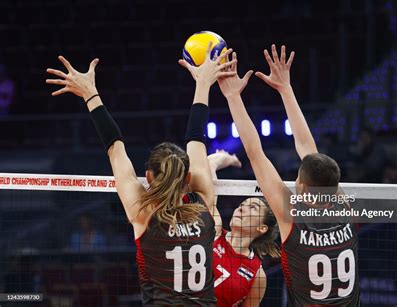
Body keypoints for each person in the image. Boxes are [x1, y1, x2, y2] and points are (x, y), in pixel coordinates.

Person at [46, 44, 236, 306]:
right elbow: (196, 138)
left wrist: (90, 93)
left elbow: (115, 148)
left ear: (147, 174)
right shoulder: (204, 205)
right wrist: (203, 84)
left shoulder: (143, 213)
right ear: (187, 176)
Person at [217, 45, 359, 306]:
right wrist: (285, 88)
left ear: (302, 188)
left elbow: (255, 153)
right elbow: (308, 151)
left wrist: (233, 96)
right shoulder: (344, 207)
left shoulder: (290, 217)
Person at [207, 150, 279, 307]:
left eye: (252, 207)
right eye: (241, 204)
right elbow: (207, 167)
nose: (241, 208)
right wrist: (226, 158)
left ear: (262, 228)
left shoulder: (257, 274)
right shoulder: (215, 231)